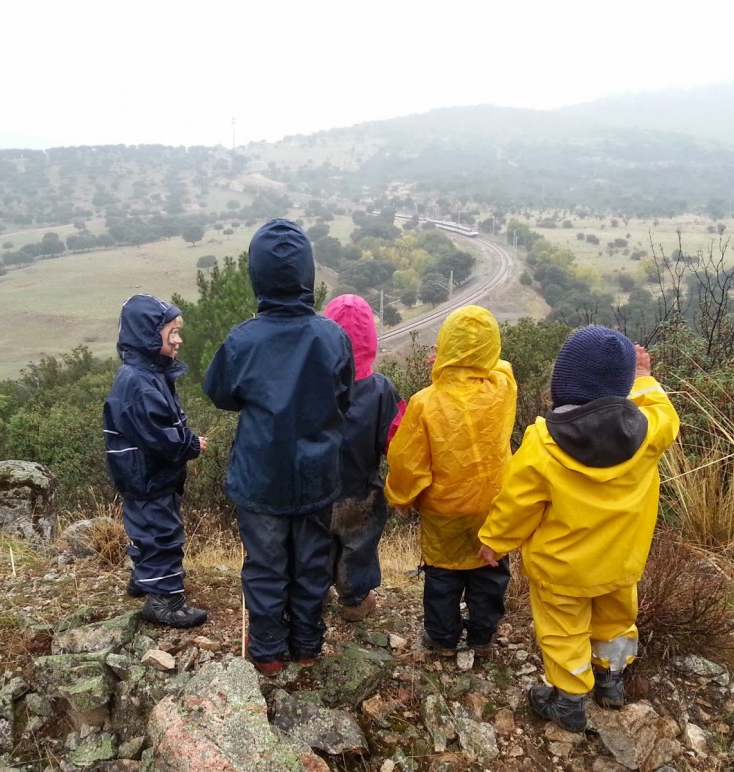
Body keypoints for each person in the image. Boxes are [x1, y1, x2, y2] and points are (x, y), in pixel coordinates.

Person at [477, 325, 680, 733]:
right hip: (621, 565)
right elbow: (665, 411)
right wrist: (643, 378)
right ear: (621, 388)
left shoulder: (542, 443)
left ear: (562, 384)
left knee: (563, 632)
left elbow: (518, 505)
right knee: (616, 622)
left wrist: (493, 542)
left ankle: (568, 700)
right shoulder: (650, 430)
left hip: (562, 571)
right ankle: (611, 679)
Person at [204, 218, 355, 676]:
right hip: (317, 475)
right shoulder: (332, 336)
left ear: (257, 275)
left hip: (260, 477)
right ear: (308, 274)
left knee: (267, 564)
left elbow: (220, 393)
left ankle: (267, 652)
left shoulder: (242, 339)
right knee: (311, 562)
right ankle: (307, 644)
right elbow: (344, 396)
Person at [384, 305, 517, 657]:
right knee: (490, 573)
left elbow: (407, 460)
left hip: (445, 511)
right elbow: (499, 365)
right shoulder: (503, 387)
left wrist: (401, 498)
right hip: (494, 505)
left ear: (443, 346)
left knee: (442, 577)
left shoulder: (425, 403)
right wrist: (459, 364)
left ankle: (442, 640)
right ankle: (482, 638)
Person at [103, 294, 209, 628]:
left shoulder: (147, 374)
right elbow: (158, 436)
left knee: (146, 528)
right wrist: (190, 444)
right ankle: (165, 601)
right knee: (162, 533)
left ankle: (145, 578)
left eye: (178, 331)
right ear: (149, 335)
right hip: (147, 476)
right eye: (171, 332)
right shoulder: (138, 382)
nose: (178, 340)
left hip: (144, 475)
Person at [322, 294, 406, 621]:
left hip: (316, 490)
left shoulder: (314, 383)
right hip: (361, 491)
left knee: (316, 546)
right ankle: (355, 600)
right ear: (370, 337)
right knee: (358, 547)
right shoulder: (382, 389)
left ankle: (315, 595)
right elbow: (400, 442)